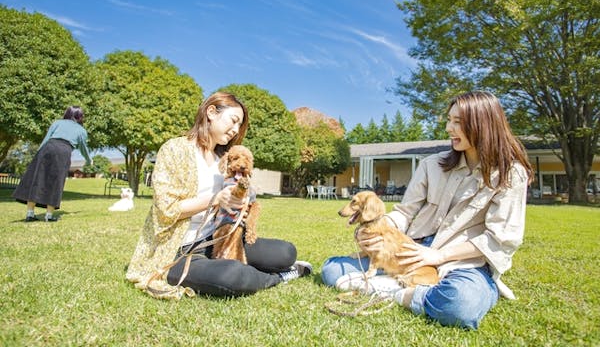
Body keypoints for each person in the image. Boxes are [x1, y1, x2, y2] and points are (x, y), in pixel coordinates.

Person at [321, 91, 533, 329]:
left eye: (458, 122)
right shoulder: (432, 165)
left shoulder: (510, 174)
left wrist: (439, 256)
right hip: (410, 252)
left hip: (462, 262)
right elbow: (404, 212)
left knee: (460, 305)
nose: (448, 128)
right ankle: (403, 282)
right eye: (449, 120)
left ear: (483, 125)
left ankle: (400, 292)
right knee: (331, 270)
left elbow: (500, 239)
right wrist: (381, 234)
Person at [126, 91, 312, 299]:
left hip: (221, 238)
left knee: (286, 252)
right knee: (232, 275)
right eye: (233, 121)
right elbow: (165, 210)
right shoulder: (174, 149)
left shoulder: (224, 160)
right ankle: (278, 277)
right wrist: (214, 200)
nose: (235, 130)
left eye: (238, 126)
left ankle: (272, 267)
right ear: (211, 112)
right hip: (180, 250)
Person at [13, 106, 92, 222]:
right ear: (80, 117)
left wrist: (38, 155)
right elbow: (83, 148)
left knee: (37, 179)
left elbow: (46, 139)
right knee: (57, 181)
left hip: (48, 147)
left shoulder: (57, 123)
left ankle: (30, 214)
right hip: (64, 151)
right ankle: (48, 216)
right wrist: (89, 160)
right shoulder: (81, 131)